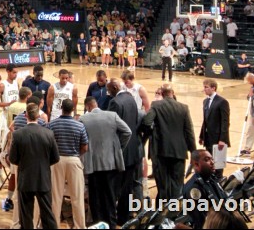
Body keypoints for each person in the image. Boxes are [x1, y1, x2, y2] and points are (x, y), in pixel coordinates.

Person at [140, 83, 196, 201]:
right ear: (173, 93)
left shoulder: (156, 105)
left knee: (163, 186)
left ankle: (163, 214)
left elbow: (146, 122)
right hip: (179, 152)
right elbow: (189, 132)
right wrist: (193, 152)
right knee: (177, 184)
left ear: (163, 94)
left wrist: (150, 135)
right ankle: (176, 213)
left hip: (161, 151)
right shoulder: (184, 107)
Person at [81, 95, 131, 226]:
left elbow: (81, 139)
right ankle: (111, 224)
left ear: (88, 106)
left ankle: (98, 224)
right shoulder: (112, 115)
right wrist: (118, 147)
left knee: (95, 196)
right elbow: (127, 132)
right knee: (110, 195)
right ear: (96, 104)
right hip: (111, 162)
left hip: (93, 164)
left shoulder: (83, 119)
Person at [9, 102, 60, 229]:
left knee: (26, 215)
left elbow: (13, 159)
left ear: (26, 115)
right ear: (38, 116)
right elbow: (56, 158)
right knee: (47, 214)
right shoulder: (49, 134)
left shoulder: (18, 134)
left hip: (25, 179)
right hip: (43, 179)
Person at [47, 98, 88, 229]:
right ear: (73, 109)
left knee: (55, 196)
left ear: (61, 108)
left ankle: (54, 225)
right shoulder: (79, 125)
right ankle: (80, 226)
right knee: (77, 196)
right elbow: (85, 147)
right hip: (74, 160)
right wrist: (76, 154)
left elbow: (48, 144)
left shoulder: (52, 124)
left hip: (57, 160)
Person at [107, 79, 141, 226]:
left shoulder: (115, 102)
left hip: (120, 150)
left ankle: (111, 220)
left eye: (109, 90)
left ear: (115, 87)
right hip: (133, 151)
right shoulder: (131, 99)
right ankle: (124, 218)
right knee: (127, 188)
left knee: (113, 188)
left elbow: (111, 127)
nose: (109, 93)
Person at [182, 149, 230, 229]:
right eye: (207, 160)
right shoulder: (194, 189)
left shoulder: (211, 179)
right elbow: (201, 221)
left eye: (212, 159)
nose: (212, 162)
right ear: (196, 165)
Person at [199, 79, 230, 180]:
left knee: (219, 163)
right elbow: (205, 120)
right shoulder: (205, 101)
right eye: (204, 87)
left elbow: (225, 122)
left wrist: (223, 139)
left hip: (218, 138)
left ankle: (219, 181)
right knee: (209, 160)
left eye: (206, 87)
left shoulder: (222, 102)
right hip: (208, 137)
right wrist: (201, 136)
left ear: (213, 88)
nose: (204, 89)